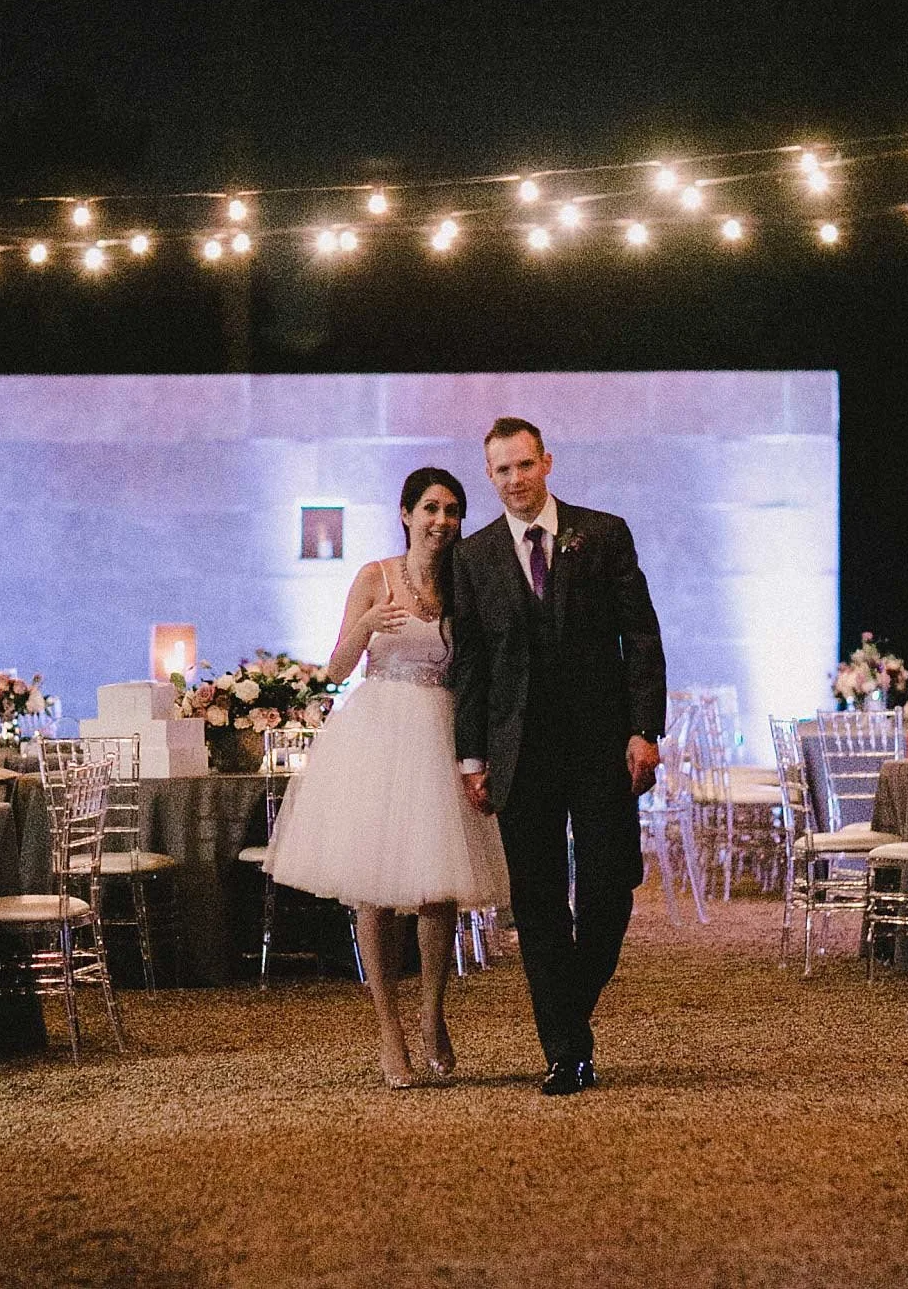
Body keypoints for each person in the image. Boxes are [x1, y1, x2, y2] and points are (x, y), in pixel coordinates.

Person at [266, 466, 511, 1089]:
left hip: (441, 730)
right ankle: (388, 1029)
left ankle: (432, 1014)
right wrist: (367, 624)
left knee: (439, 887)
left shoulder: (466, 581)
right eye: (430, 508)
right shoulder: (375, 575)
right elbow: (334, 668)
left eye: (452, 510)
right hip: (378, 731)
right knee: (373, 890)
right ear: (406, 514)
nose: (442, 520)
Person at [452, 416, 666, 1096]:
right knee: (539, 903)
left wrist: (645, 729)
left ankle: (569, 1003)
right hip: (520, 751)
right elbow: (472, 665)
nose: (514, 481)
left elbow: (642, 635)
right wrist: (472, 757)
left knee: (609, 886)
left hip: (602, 744)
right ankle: (567, 1052)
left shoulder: (602, 534)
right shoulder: (473, 556)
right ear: (490, 476)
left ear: (546, 461)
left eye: (523, 465)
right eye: (501, 471)